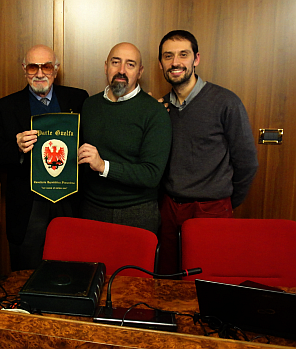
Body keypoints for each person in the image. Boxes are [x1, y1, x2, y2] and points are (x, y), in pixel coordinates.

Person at [157, 30, 258, 274]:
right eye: (168, 56)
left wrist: (225, 202)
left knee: (209, 278)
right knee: (168, 280)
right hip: (170, 208)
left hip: (212, 209)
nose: (175, 62)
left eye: (183, 54)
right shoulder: (160, 108)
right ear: (161, 63)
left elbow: (247, 163)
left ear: (196, 59)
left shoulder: (225, 102)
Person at [0, 44, 88, 271]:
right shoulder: (6, 106)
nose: (40, 73)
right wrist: (17, 147)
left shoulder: (78, 99)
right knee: (27, 271)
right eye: (33, 67)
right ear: (24, 69)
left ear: (56, 69)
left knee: (71, 267)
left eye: (47, 66)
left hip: (69, 201)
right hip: (29, 206)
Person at [78, 42, 172, 234]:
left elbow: (152, 174)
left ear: (140, 72)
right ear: (106, 66)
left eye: (130, 64)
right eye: (115, 62)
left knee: (133, 266)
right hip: (90, 210)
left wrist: (104, 166)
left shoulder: (154, 112)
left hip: (137, 213)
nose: (121, 70)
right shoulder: (89, 105)